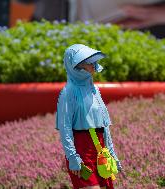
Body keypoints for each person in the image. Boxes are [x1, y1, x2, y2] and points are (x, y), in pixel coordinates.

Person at [55, 44, 123, 189]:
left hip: (100, 150)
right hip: (81, 151)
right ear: (76, 66)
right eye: (88, 61)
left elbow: (104, 126)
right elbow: (65, 128)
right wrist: (73, 157)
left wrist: (112, 153)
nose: (94, 65)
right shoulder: (68, 93)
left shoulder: (95, 90)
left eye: (94, 61)